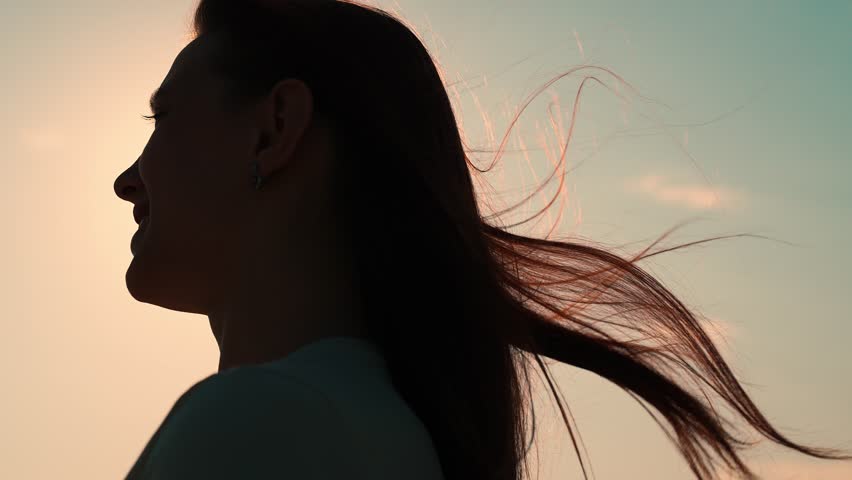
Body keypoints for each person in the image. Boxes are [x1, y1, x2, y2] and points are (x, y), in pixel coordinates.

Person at [113, 1, 852, 479]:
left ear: (274, 130)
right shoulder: (385, 433)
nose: (127, 180)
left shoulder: (264, 424)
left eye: (163, 120)